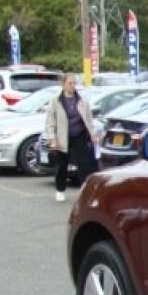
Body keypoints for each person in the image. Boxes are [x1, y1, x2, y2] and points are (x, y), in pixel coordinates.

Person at [44, 73, 98, 202]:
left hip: (79, 134)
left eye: (74, 83)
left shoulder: (81, 99)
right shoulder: (56, 100)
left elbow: (89, 119)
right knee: (62, 165)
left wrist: (93, 134)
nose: (73, 86)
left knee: (84, 164)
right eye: (70, 83)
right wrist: (52, 139)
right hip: (63, 136)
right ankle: (60, 189)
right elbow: (50, 121)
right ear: (63, 84)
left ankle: (85, 191)